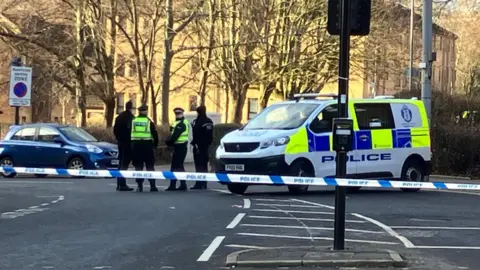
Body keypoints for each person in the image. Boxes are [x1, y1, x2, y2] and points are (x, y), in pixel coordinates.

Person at [130, 104, 159, 192]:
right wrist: (155, 145)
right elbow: (155, 134)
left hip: (136, 145)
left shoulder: (133, 120)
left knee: (138, 166)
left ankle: (139, 186)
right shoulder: (149, 121)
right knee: (150, 166)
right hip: (147, 145)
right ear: (146, 111)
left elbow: (128, 132)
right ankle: (153, 186)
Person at [165, 107, 189, 191]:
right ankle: (180, 184)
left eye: (179, 113)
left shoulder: (182, 124)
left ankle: (176, 184)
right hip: (177, 147)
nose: (177, 115)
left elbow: (174, 136)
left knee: (177, 166)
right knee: (178, 166)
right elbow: (171, 134)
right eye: (176, 114)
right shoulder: (176, 123)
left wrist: (167, 143)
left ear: (182, 114)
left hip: (181, 147)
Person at [190, 105, 213, 190]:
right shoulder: (209, 121)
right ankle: (204, 183)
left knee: (199, 165)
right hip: (206, 147)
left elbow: (196, 134)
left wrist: (195, 144)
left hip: (198, 146)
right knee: (204, 165)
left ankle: (199, 183)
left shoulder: (197, 122)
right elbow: (209, 136)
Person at [113, 100, 134, 191]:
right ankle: (122, 184)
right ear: (131, 108)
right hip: (127, 143)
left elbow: (115, 130)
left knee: (120, 162)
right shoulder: (131, 118)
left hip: (120, 143)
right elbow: (131, 131)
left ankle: (119, 184)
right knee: (124, 164)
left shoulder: (119, 117)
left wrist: (118, 139)